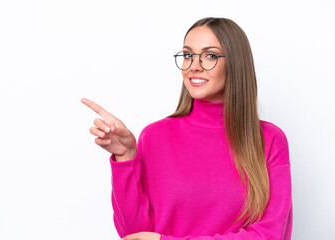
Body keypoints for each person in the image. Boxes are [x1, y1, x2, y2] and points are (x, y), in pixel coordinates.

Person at [81, 17, 293, 240]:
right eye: (188, 55)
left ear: (235, 63)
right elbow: (135, 235)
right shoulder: (154, 137)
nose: (194, 66)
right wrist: (125, 158)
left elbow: (270, 235)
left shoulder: (268, 139)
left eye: (210, 55)